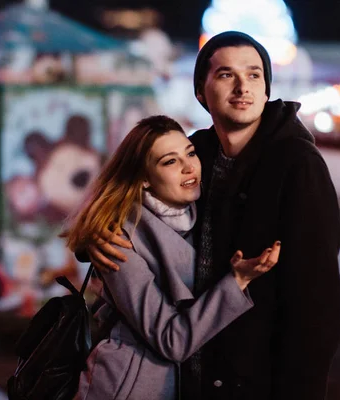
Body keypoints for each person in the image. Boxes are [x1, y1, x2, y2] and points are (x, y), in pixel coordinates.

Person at [85, 31, 340, 400]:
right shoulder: (199, 155)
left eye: (254, 75)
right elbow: (132, 195)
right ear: (200, 91)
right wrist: (96, 236)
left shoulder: (297, 165)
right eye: (226, 75)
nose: (243, 87)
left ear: (267, 89)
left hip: (258, 382)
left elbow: (318, 303)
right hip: (193, 377)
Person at [64, 115, 281, 399]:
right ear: (143, 179)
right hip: (129, 388)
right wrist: (237, 281)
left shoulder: (203, 216)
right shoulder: (118, 238)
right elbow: (172, 340)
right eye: (170, 161)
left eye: (190, 153)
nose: (189, 167)